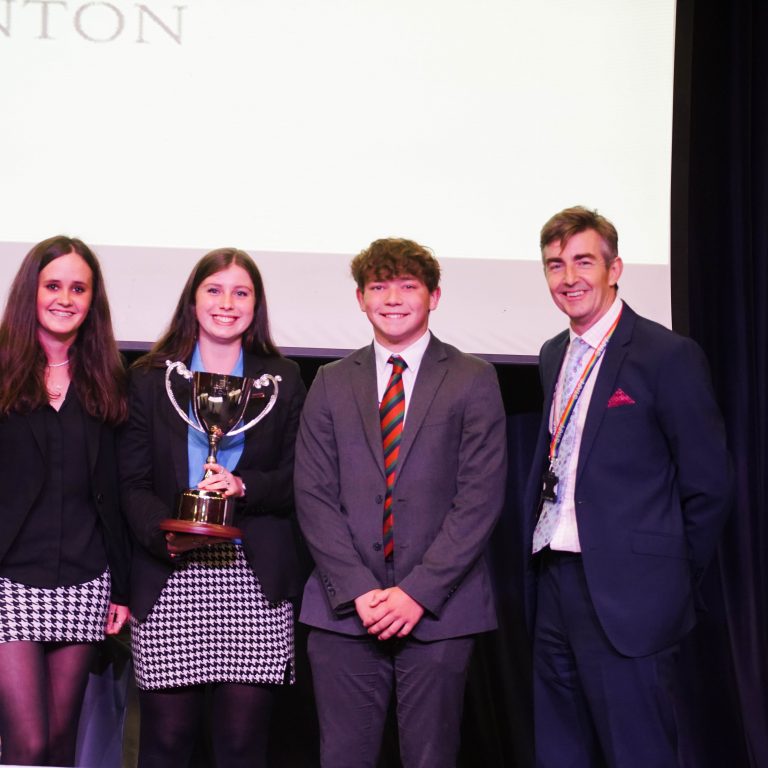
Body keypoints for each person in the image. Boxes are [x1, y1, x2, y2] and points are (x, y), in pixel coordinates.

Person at [524, 206, 732, 768]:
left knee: (637, 751)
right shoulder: (552, 355)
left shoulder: (667, 356)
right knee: (559, 749)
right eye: (555, 265)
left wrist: (669, 578)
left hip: (630, 596)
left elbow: (709, 485)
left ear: (615, 268)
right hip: (554, 581)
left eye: (583, 261)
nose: (568, 278)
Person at [295, 237, 507, 767]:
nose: (393, 298)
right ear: (361, 299)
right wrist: (360, 590)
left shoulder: (473, 378)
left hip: (439, 610)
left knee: (431, 759)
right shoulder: (329, 382)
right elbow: (313, 495)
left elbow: (478, 499)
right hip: (345, 610)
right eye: (379, 286)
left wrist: (417, 592)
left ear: (434, 296)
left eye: (408, 285)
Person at [118, 248, 306, 768]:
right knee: (165, 744)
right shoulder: (149, 378)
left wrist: (245, 488)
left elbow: (301, 477)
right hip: (169, 572)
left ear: (256, 304)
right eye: (215, 290)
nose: (228, 303)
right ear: (193, 299)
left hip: (254, 578)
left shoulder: (283, 378)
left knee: (242, 748)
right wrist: (166, 535)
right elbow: (130, 481)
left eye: (241, 292)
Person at [0, 236, 130, 766]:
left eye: (78, 288)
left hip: (83, 581)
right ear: (31, 290)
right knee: (26, 745)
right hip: (9, 582)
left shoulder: (110, 380)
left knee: (57, 745)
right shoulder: (4, 374)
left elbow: (116, 497)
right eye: (53, 285)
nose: (64, 297)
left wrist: (120, 587)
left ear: (91, 300)